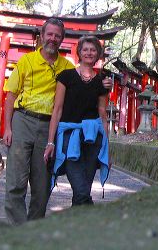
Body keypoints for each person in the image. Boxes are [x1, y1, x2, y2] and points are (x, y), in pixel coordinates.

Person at [2, 18, 78, 225]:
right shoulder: (26, 61)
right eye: (50, 34)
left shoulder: (67, 67)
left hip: (49, 128)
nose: (53, 39)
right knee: (16, 182)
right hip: (22, 121)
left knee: (42, 186)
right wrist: (7, 127)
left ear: (62, 39)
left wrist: (104, 84)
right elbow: (10, 96)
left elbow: (83, 89)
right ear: (42, 36)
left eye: (57, 36)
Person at [43, 36, 110, 206]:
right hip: (69, 136)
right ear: (79, 52)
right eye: (85, 49)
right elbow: (57, 110)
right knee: (80, 189)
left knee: (84, 190)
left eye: (93, 50)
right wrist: (51, 142)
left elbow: (102, 113)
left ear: (98, 54)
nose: (89, 53)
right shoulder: (66, 76)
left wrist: (107, 147)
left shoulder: (102, 81)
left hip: (93, 138)